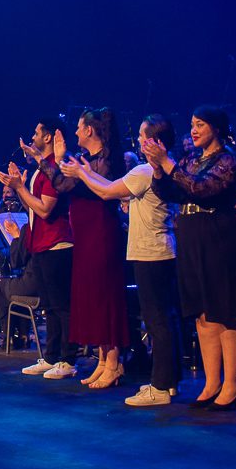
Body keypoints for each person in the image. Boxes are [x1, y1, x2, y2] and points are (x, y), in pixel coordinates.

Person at [67, 114, 179, 408]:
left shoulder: (145, 171)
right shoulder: (157, 171)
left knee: (157, 321)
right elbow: (109, 185)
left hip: (151, 252)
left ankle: (161, 385)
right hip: (156, 250)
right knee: (161, 319)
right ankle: (166, 382)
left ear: (154, 141)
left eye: (142, 135)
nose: (138, 140)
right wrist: (85, 172)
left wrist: (81, 174)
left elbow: (107, 191)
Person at [149, 106, 236, 409]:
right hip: (191, 236)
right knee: (202, 311)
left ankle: (231, 386)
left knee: (225, 309)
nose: (193, 130)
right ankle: (212, 382)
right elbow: (170, 192)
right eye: (192, 124)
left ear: (216, 127)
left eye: (200, 124)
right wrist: (158, 169)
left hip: (220, 236)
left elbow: (201, 188)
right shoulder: (191, 159)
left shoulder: (228, 159)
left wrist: (167, 163)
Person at [55, 108, 130, 391]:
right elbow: (62, 185)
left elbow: (104, 190)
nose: (75, 132)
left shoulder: (107, 160)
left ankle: (114, 361)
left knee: (105, 294)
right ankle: (102, 358)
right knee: (92, 296)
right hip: (85, 235)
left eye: (78, 127)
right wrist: (59, 159)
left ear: (89, 130)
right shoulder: (84, 160)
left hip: (102, 232)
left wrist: (78, 171)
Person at [1, 119, 77, 380]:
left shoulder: (54, 168)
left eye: (36, 133)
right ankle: (52, 357)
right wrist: (18, 187)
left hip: (58, 244)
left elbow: (45, 209)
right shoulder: (41, 169)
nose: (32, 137)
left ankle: (68, 359)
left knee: (62, 305)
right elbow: (34, 208)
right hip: (42, 244)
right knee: (50, 306)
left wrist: (19, 187)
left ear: (48, 137)